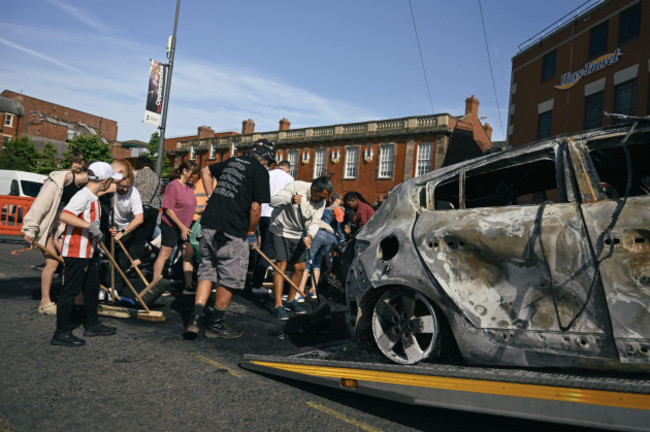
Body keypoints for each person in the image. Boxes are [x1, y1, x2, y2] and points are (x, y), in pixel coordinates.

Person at [184, 138, 272, 340]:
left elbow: (206, 170)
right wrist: (250, 233)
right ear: (265, 159)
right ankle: (215, 323)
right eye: (268, 162)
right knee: (230, 276)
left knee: (208, 270)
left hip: (209, 223)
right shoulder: (259, 172)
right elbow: (255, 208)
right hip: (233, 229)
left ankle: (195, 318)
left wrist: (212, 196)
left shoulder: (233, 161)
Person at [51, 161, 122, 347]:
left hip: (88, 251)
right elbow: (65, 215)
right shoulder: (83, 196)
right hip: (76, 250)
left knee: (92, 288)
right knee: (70, 291)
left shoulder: (92, 196)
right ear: (105, 181)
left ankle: (92, 324)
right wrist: (89, 227)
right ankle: (61, 332)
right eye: (111, 180)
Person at [21, 165, 89, 315]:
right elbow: (41, 203)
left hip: (58, 227)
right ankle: (45, 302)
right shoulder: (60, 180)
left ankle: (70, 300)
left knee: (69, 261)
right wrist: (30, 228)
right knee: (53, 262)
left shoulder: (80, 186)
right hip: (44, 227)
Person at [268, 176, 333, 320]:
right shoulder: (297, 186)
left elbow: (316, 222)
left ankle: (291, 301)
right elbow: (272, 201)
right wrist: (289, 199)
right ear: (314, 189)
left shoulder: (321, 201)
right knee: (281, 265)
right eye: (321, 196)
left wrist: (310, 236)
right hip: (281, 229)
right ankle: (278, 305)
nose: (322, 200)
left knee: (301, 267)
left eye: (325, 198)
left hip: (300, 233)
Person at [250, 159, 294, 295]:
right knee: (268, 250)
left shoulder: (267, 174)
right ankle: (256, 284)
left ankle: (252, 278)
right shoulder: (289, 178)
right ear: (288, 169)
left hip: (258, 213)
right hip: (273, 216)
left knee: (257, 246)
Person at [152, 161, 198, 285]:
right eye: (193, 173)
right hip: (171, 225)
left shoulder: (189, 187)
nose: (194, 176)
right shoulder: (173, 186)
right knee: (165, 253)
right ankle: (154, 283)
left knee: (187, 254)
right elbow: (168, 209)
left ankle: (188, 285)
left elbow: (188, 206)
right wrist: (181, 226)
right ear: (184, 171)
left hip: (185, 227)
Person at [295, 193, 344, 300]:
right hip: (330, 236)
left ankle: (299, 292)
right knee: (316, 263)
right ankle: (313, 291)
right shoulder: (319, 213)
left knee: (307, 263)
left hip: (319, 233)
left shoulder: (304, 216)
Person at [108, 171, 144, 295]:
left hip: (125, 228)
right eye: (121, 186)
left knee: (121, 260)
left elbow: (139, 218)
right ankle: (103, 286)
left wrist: (122, 232)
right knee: (106, 258)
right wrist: (107, 226)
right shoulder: (110, 189)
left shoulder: (134, 192)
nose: (124, 189)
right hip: (108, 225)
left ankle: (115, 288)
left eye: (127, 187)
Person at [132, 155, 163, 268]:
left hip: (138, 209)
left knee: (136, 239)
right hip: (153, 210)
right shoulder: (158, 178)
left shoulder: (136, 174)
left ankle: (133, 262)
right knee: (143, 237)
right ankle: (140, 259)